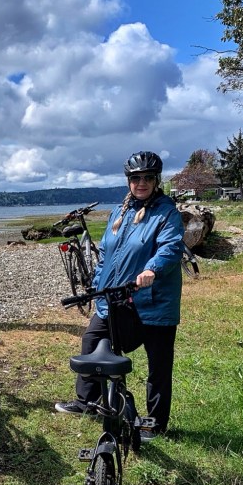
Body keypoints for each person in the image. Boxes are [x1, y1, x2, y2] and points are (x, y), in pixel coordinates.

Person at [54, 151, 185, 441]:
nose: (141, 183)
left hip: (154, 302)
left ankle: (155, 422)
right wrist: (96, 286)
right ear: (128, 181)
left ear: (156, 180)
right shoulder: (120, 212)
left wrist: (151, 269)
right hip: (115, 300)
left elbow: (172, 248)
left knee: (159, 364)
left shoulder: (166, 213)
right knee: (91, 342)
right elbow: (106, 255)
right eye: (136, 178)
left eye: (147, 178)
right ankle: (87, 402)